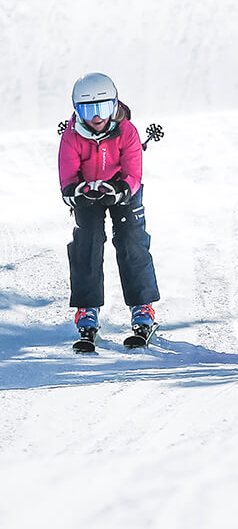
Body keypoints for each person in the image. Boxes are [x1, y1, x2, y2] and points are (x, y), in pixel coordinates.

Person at [58, 72, 160, 338]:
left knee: (131, 240)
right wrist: (75, 191)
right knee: (86, 242)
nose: (96, 117)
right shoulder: (71, 135)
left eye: (103, 108)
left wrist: (122, 189)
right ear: (77, 110)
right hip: (88, 191)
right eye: (87, 110)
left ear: (114, 105)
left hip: (121, 188)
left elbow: (134, 172)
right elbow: (67, 176)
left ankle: (142, 306)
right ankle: (87, 307)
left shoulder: (127, 131)